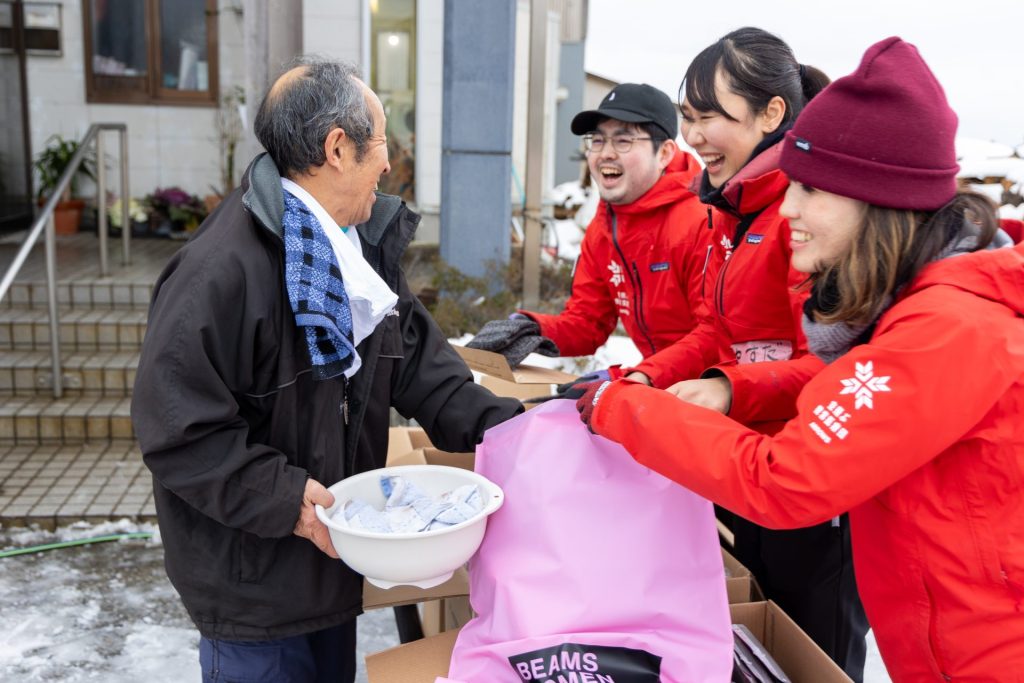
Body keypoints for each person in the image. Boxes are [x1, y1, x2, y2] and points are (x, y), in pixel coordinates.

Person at [575, 36, 1023, 682]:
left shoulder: (944, 329)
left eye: (811, 191)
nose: (790, 208)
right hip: (939, 638)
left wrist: (631, 409)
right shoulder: (911, 310)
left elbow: (786, 478)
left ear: (877, 200)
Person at [130, 58, 522, 683]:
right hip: (252, 588)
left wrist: (530, 434)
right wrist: (292, 502)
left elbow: (430, 372)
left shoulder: (357, 256)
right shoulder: (219, 273)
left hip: (331, 573)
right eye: (382, 142)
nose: (389, 163)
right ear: (338, 148)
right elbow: (180, 434)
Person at [628, 27, 868, 679]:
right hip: (746, 469)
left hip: (813, 484)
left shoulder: (808, 217)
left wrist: (729, 387)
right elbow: (713, 331)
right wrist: (646, 376)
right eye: (687, 118)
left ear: (772, 115)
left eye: (712, 117)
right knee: (758, 646)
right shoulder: (727, 213)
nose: (695, 136)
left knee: (813, 654)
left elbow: (832, 363)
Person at [470, 83, 716, 389]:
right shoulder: (605, 227)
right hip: (658, 384)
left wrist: (641, 379)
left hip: (712, 392)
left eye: (623, 141)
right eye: (597, 141)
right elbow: (588, 323)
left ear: (665, 152)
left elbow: (714, 336)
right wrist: (532, 329)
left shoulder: (702, 220)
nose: (605, 154)